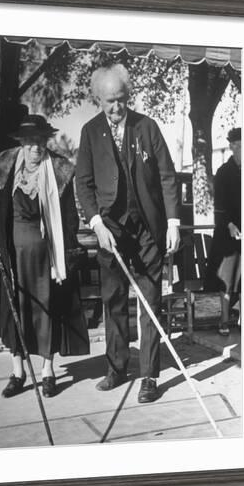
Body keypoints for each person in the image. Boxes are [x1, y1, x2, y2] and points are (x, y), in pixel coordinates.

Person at [75, 64, 180, 404]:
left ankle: (149, 375)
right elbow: (84, 183)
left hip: (148, 230)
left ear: (127, 96)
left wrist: (174, 223)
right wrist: (95, 223)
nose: (116, 107)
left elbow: (167, 177)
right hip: (110, 231)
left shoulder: (146, 127)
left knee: (150, 303)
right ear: (98, 99)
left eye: (121, 100)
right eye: (109, 101)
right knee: (114, 301)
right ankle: (117, 367)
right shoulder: (90, 133)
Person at [0, 114, 89, 399]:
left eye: (40, 142)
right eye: (30, 142)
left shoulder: (60, 172)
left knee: (46, 312)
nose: (35, 148)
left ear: (45, 142)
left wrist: (66, 256)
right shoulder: (3, 169)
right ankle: (17, 372)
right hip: (11, 259)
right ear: (21, 143)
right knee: (17, 313)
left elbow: (70, 221)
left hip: (47, 260)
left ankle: (47, 371)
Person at [207, 127, 242, 335]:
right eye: (239, 146)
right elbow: (219, 206)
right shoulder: (223, 172)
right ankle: (224, 321)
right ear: (232, 147)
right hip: (227, 234)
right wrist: (229, 224)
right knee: (227, 280)